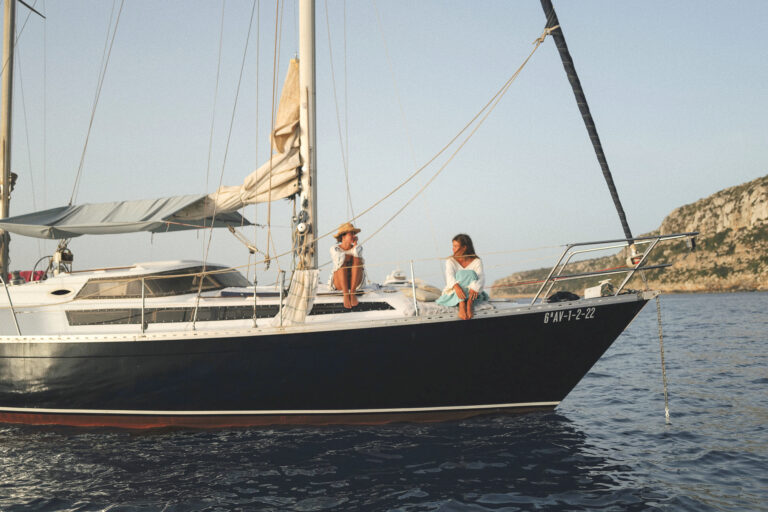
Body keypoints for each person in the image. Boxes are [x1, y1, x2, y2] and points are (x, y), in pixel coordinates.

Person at [436, 234, 489, 320]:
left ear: (464, 248)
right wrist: (456, 287)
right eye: (453, 246)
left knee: (471, 274)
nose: (453, 249)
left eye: (456, 246)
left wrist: (474, 288)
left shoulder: (476, 261)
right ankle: (462, 304)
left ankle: (469, 304)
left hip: (472, 293)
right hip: (455, 292)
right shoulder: (450, 261)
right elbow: (449, 277)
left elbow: (481, 278)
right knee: (460, 274)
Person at [330, 222, 365, 309]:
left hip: (355, 282)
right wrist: (351, 252)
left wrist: (355, 244)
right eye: (351, 234)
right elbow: (340, 258)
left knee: (357, 260)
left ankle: (352, 292)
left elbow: (356, 253)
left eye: (354, 233)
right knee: (342, 262)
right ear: (343, 236)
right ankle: (346, 294)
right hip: (340, 283)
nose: (353, 236)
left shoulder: (358, 247)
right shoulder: (335, 248)